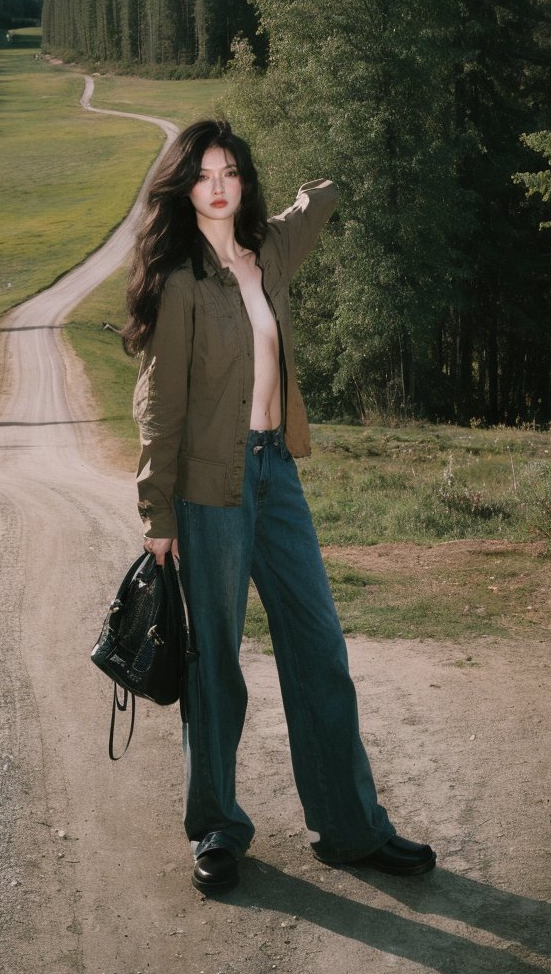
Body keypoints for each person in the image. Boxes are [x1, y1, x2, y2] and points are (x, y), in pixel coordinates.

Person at [123, 119, 435, 896]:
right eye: (203, 175)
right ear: (183, 187)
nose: (219, 186)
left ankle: (352, 829)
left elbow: (318, 205)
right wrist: (156, 515)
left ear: (245, 181)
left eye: (230, 171)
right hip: (209, 491)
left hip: (276, 476)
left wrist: (316, 186)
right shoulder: (181, 280)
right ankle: (219, 830)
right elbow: (159, 404)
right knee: (215, 664)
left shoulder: (268, 254)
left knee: (319, 645)